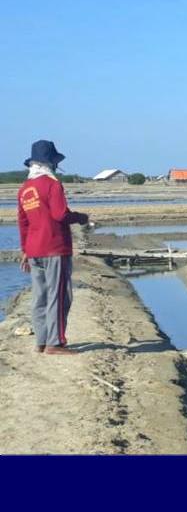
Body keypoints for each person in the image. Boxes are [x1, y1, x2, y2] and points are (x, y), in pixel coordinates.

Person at [17, 140, 88, 355]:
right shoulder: (52, 185)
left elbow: (23, 222)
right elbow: (60, 215)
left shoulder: (25, 188)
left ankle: (41, 340)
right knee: (58, 296)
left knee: (40, 296)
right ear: (50, 163)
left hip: (34, 250)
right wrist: (81, 217)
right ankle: (54, 343)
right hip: (54, 247)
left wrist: (25, 250)